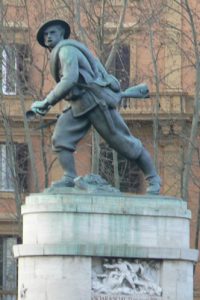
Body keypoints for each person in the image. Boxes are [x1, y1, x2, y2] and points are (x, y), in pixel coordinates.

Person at [31, 19, 161, 194]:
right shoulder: (61, 52)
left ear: (61, 34)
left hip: (94, 102)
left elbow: (69, 79)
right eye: (45, 35)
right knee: (61, 138)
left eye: (52, 33)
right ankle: (69, 178)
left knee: (123, 142)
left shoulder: (66, 51)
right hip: (78, 105)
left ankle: (153, 179)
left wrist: (47, 102)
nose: (48, 37)